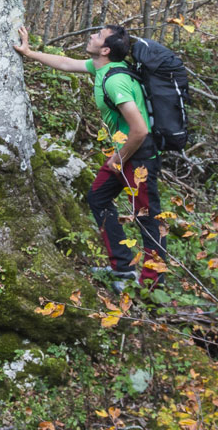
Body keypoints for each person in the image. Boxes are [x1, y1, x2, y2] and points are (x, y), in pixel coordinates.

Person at [14, 22, 166, 287]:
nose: (91, 36)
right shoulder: (102, 69)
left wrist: (118, 160)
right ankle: (122, 268)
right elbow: (64, 63)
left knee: (146, 217)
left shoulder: (116, 80)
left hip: (138, 157)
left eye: (97, 36)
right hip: (124, 155)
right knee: (98, 198)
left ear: (105, 49)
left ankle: (153, 285)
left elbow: (140, 130)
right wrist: (29, 53)